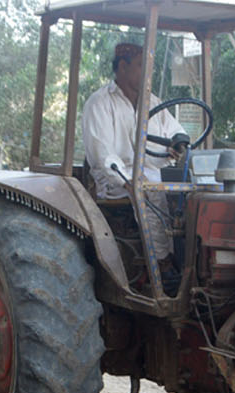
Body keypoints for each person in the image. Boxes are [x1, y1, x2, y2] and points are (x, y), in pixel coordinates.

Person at [79, 41, 185, 264]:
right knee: (148, 191)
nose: (148, 73)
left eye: (149, 67)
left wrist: (177, 143)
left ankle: (187, 259)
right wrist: (128, 181)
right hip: (115, 181)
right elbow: (102, 155)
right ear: (123, 67)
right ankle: (162, 263)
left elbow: (174, 130)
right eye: (140, 65)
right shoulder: (99, 103)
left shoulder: (152, 102)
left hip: (153, 174)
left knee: (187, 196)